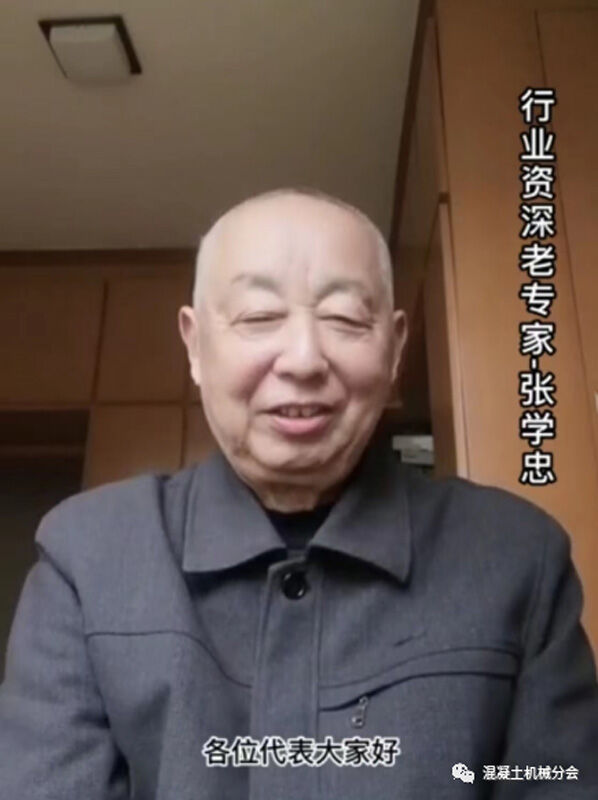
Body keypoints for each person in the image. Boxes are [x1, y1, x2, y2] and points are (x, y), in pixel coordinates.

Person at [0, 188, 597, 799]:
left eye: (346, 319)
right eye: (259, 317)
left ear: (394, 348)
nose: (305, 359)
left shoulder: (516, 556)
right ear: (195, 346)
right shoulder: (89, 557)